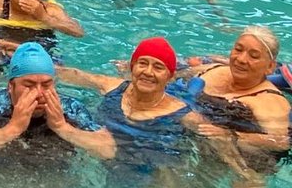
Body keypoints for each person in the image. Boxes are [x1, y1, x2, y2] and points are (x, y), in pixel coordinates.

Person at [57, 37, 196, 173]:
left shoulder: (182, 114)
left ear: (170, 77)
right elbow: (74, 75)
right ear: (132, 67)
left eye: (158, 67)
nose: (148, 72)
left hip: (139, 169)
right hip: (92, 155)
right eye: (142, 63)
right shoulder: (114, 87)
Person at [0, 42, 115, 160]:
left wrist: (62, 127)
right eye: (29, 85)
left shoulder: (69, 107)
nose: (39, 93)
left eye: (46, 85)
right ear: (11, 86)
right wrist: (13, 128)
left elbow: (108, 150)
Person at [173, 27, 291, 163]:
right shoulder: (212, 70)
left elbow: (282, 142)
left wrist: (232, 136)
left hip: (225, 158)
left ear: (270, 67)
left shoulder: (271, 103)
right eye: (238, 49)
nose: (241, 59)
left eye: (254, 56)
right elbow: (172, 75)